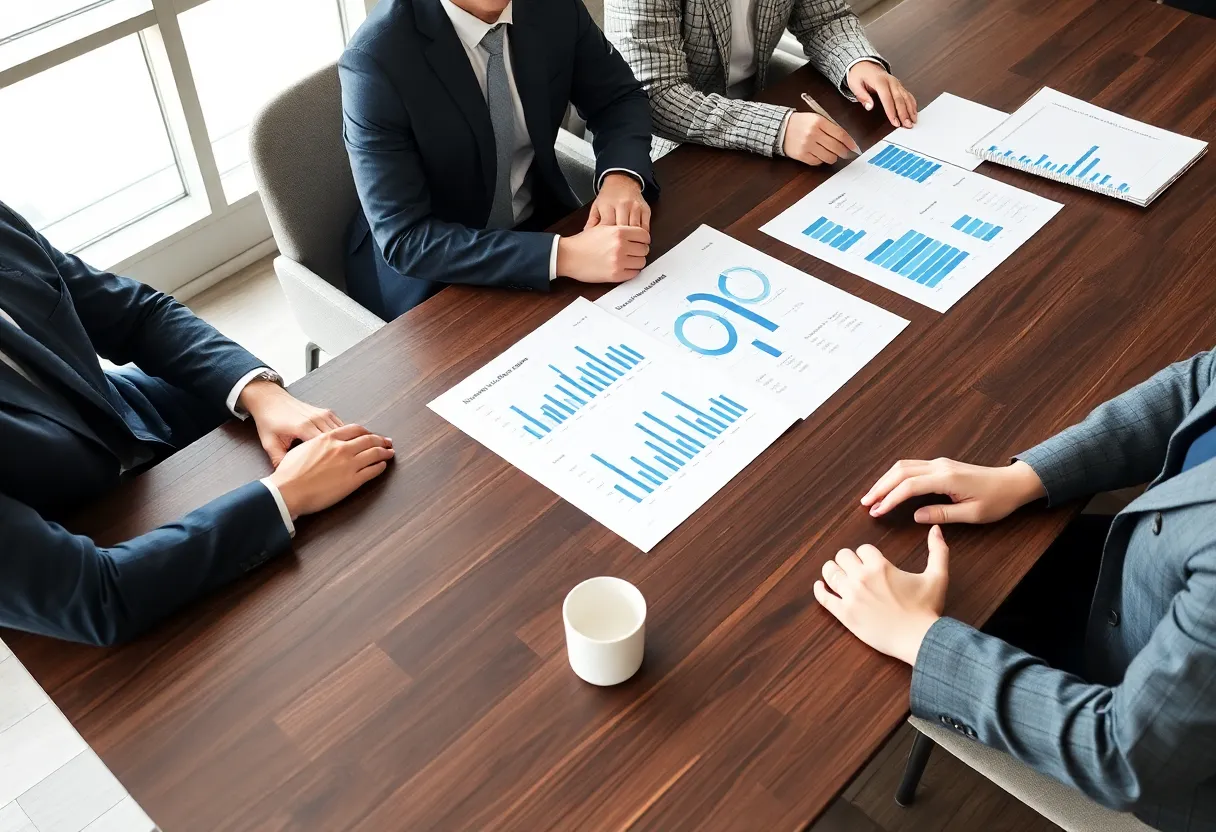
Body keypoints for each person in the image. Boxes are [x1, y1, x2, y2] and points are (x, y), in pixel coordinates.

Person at [815, 348, 1216, 831]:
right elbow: (1203, 381)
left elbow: (1122, 756)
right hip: (1146, 570)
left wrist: (919, 639)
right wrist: (1027, 477)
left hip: (1149, 744)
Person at [0, 202, 394, 647]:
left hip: (138, 415)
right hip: (74, 537)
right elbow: (98, 597)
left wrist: (260, 393)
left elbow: (135, 316)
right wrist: (286, 495)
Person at [339, 0, 660, 320]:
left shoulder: (554, 7)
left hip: (542, 223)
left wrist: (621, 180)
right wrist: (564, 256)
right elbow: (407, 240)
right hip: (433, 275)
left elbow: (616, 98)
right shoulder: (374, 59)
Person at [605, 0, 918, 166]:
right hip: (670, 150)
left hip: (760, 112)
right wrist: (776, 129)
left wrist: (858, 62)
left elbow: (823, 18)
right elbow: (656, 96)